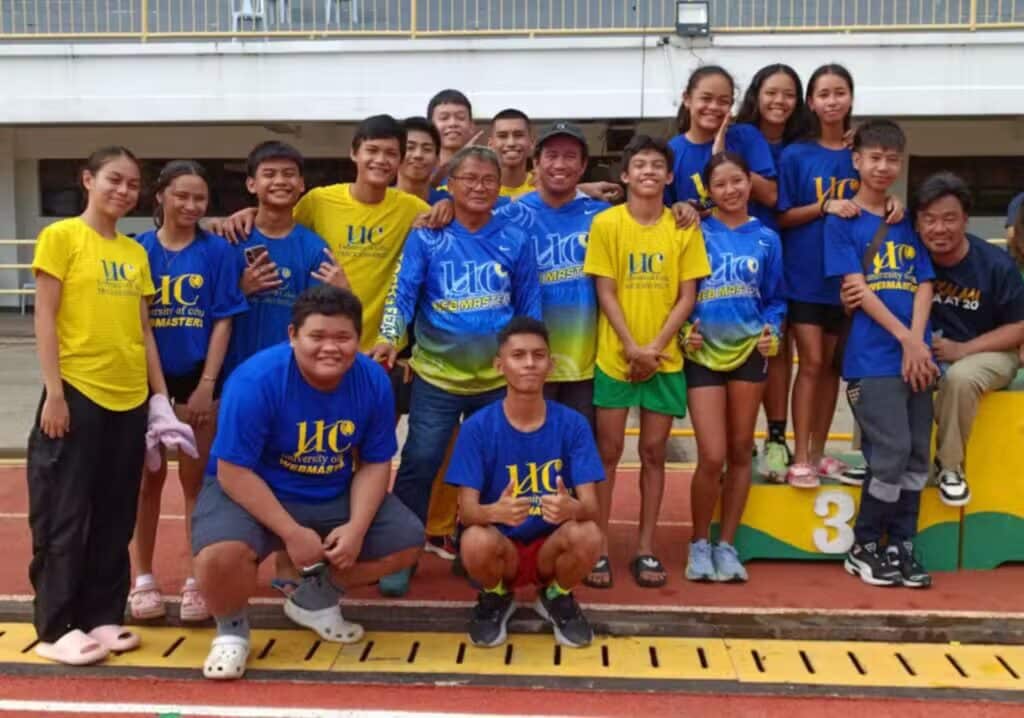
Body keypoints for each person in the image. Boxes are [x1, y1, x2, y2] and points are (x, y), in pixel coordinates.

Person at [192, 285, 423, 681]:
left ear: (357, 339)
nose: (330, 348)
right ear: (292, 336)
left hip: (329, 490)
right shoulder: (255, 381)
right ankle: (231, 630)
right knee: (218, 558)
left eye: (342, 337)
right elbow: (233, 471)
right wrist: (292, 532)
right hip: (254, 491)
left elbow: (374, 462)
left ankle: (314, 599)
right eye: (317, 336)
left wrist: (355, 528)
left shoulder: (372, 381)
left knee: (406, 540)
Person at [28, 146, 194, 665]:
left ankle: (102, 614)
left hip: (129, 401)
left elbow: (144, 330)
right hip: (78, 392)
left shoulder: (133, 252)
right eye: (113, 180)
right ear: (87, 180)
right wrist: (54, 393)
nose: (123, 191)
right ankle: (56, 626)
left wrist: (159, 398)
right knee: (64, 513)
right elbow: (46, 318)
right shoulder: (61, 238)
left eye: (131, 184)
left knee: (115, 514)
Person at [372, 145, 543, 596]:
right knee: (420, 463)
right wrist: (390, 336)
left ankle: (479, 552)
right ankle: (400, 554)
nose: (480, 187)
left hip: (495, 381)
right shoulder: (428, 234)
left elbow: (529, 303)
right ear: (450, 184)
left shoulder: (515, 237)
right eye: (469, 179)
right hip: (436, 377)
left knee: (493, 471)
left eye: (489, 179)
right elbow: (403, 294)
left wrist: (527, 356)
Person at [846, 172, 1024, 507]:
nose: (939, 229)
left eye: (949, 219)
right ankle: (876, 461)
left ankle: (949, 466)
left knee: (960, 377)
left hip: (990, 350)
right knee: (881, 372)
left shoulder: (995, 264)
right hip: (925, 349)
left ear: (966, 220)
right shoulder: (907, 256)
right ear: (916, 222)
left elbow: (1018, 327)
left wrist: (964, 350)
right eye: (929, 220)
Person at [582, 135, 710, 589]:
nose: (649, 172)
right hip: (614, 357)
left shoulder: (683, 227)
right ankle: (597, 546)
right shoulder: (607, 224)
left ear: (670, 176)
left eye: (658, 165)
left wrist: (654, 348)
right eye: (640, 165)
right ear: (624, 175)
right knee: (609, 453)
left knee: (654, 453)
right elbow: (605, 291)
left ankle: (645, 547)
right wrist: (631, 347)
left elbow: (687, 296)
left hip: (666, 359)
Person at [130, 161, 248, 623]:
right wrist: (157, 397)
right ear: (160, 195)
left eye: (199, 198)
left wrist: (206, 386)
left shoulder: (217, 251)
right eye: (181, 195)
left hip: (197, 380)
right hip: (145, 384)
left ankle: (197, 578)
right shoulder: (136, 250)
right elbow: (137, 325)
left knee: (196, 484)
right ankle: (142, 578)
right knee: (146, 483)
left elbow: (223, 319)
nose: (191, 206)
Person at [824, 120, 938, 588]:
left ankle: (902, 544)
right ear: (857, 160)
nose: (883, 166)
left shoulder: (905, 220)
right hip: (872, 358)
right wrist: (908, 339)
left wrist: (918, 341)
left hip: (918, 358)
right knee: (888, 451)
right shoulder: (843, 221)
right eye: (875, 157)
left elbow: (924, 282)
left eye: (892, 158)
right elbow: (855, 287)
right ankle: (865, 545)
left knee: (915, 454)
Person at [446, 317, 604, 648]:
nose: (529, 363)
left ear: (551, 364)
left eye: (538, 355)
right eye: (518, 355)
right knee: (474, 540)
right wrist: (495, 513)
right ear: (499, 365)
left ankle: (557, 595)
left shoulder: (573, 424)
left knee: (588, 533)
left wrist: (572, 506)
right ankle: (495, 596)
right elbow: (468, 512)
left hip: (550, 549)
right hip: (504, 549)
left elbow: (592, 507)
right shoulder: (477, 428)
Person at [218, 115, 429, 354]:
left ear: (401, 160)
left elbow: (452, 224)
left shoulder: (413, 209)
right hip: (325, 347)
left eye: (390, 153)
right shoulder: (318, 201)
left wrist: (448, 206)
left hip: (381, 349)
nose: (380, 160)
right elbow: (278, 219)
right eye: (372, 150)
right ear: (353, 153)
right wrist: (250, 212)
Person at [682, 152, 785, 583]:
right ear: (710, 190)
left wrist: (772, 329)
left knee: (742, 450)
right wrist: (685, 330)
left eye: (737, 181)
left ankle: (727, 544)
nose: (731, 190)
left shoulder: (767, 239)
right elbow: (678, 293)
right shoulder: (694, 234)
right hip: (703, 354)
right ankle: (698, 543)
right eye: (720, 183)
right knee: (713, 455)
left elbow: (777, 298)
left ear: (749, 183)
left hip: (749, 352)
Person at [776, 63, 862, 488]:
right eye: (824, 93)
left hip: (846, 277)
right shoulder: (795, 154)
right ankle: (802, 456)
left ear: (850, 98)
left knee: (830, 366)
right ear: (811, 102)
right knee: (809, 362)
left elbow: (877, 198)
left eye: (839, 92)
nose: (832, 100)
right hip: (805, 274)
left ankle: (823, 451)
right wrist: (824, 205)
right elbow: (784, 215)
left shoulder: (860, 153)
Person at [495, 121, 609, 426]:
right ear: (536, 163)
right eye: (552, 155)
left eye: (570, 156)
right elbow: (469, 219)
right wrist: (443, 210)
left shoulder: (602, 217)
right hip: (526, 362)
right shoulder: (509, 216)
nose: (560, 164)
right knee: (528, 449)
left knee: (579, 453)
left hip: (585, 362)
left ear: (584, 165)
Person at [734, 63, 808, 479]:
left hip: (796, 252)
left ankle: (777, 438)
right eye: (772, 92)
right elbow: (772, 195)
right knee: (754, 343)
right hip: (743, 255)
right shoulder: (742, 137)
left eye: (789, 94)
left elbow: (784, 199)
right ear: (756, 95)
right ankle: (738, 443)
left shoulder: (804, 144)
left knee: (786, 349)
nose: (779, 102)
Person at [220, 141, 345, 376]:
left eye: (289, 174)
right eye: (269, 174)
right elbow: (208, 309)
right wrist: (240, 291)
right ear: (251, 184)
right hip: (232, 374)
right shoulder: (231, 239)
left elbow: (318, 321)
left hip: (290, 374)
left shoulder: (315, 249)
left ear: (301, 184)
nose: (280, 181)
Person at [665, 65, 778, 231]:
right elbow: (667, 213)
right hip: (700, 249)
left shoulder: (746, 137)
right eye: (706, 98)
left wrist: (722, 155)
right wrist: (683, 209)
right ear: (687, 99)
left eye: (723, 101)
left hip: (753, 249)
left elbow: (771, 196)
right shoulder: (672, 151)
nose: (713, 107)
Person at [397, 116, 451, 206]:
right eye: (410, 148)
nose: (418, 155)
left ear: (437, 160)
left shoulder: (451, 206)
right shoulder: (379, 200)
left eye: (427, 149)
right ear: (395, 155)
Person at [489, 108, 535, 198]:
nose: (511, 143)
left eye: (518, 135)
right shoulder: (480, 190)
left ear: (531, 143)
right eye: (502, 136)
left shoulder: (543, 188)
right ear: (490, 145)